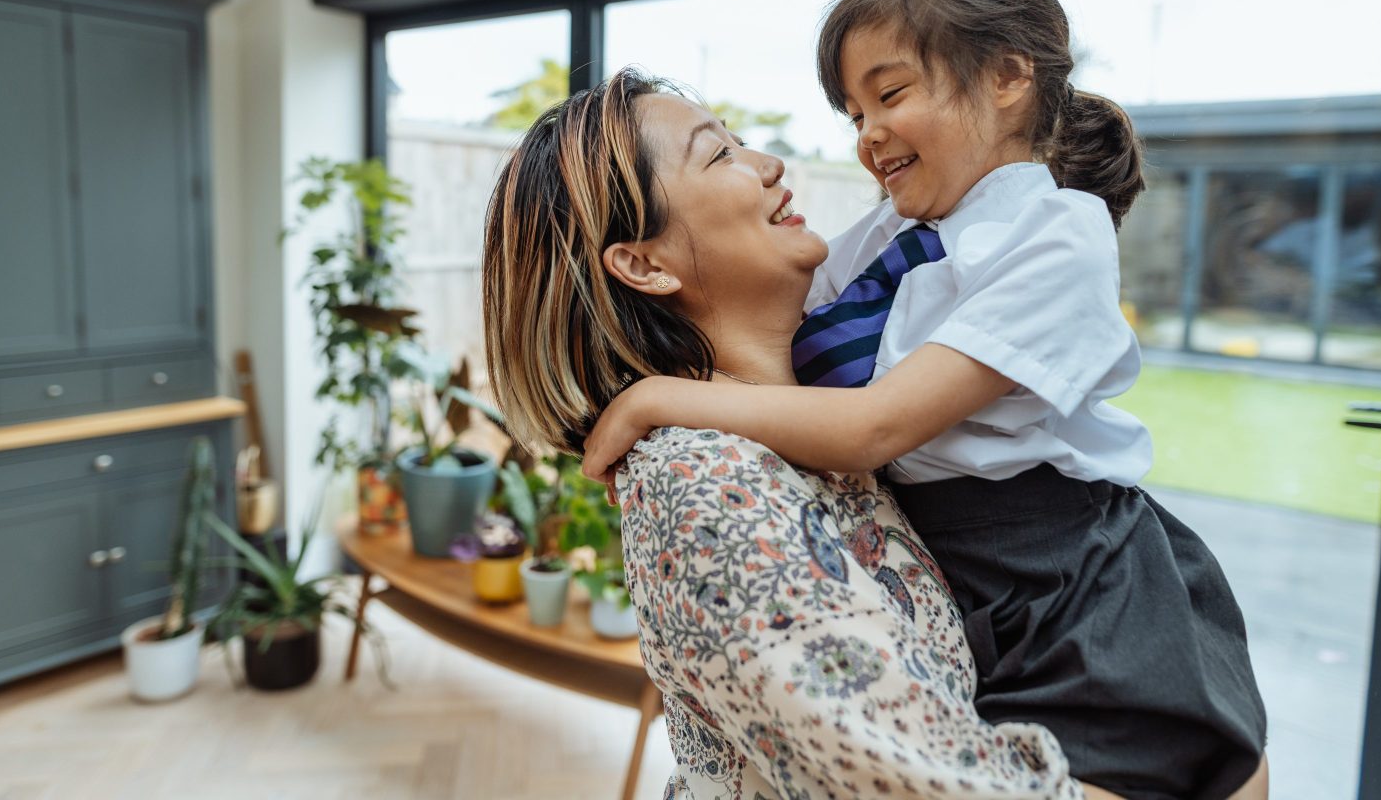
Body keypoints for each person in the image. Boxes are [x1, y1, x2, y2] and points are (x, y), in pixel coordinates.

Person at [580, 0, 1268, 800]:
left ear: (1009, 76)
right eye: (855, 113)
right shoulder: (886, 235)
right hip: (969, 573)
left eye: (890, 95)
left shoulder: (1057, 233)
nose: (867, 134)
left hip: (1062, 575)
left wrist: (654, 400)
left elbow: (875, 425)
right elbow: (765, 326)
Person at [482, 69, 1124, 799]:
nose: (769, 164)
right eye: (718, 156)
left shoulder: (821, 416)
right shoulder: (708, 483)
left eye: (744, 142)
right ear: (643, 264)